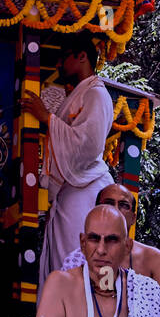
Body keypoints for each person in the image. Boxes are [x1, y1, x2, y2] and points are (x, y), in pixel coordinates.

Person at [22, 33, 115, 283]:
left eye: (63, 58)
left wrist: (47, 119)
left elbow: (88, 145)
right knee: (64, 266)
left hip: (83, 188)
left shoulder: (96, 94)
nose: (58, 65)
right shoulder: (80, 94)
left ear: (81, 56)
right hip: (70, 190)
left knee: (76, 266)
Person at [62, 181, 160, 303]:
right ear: (96, 211)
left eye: (124, 205)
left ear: (133, 218)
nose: (115, 210)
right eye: (108, 203)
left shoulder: (155, 260)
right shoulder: (76, 260)